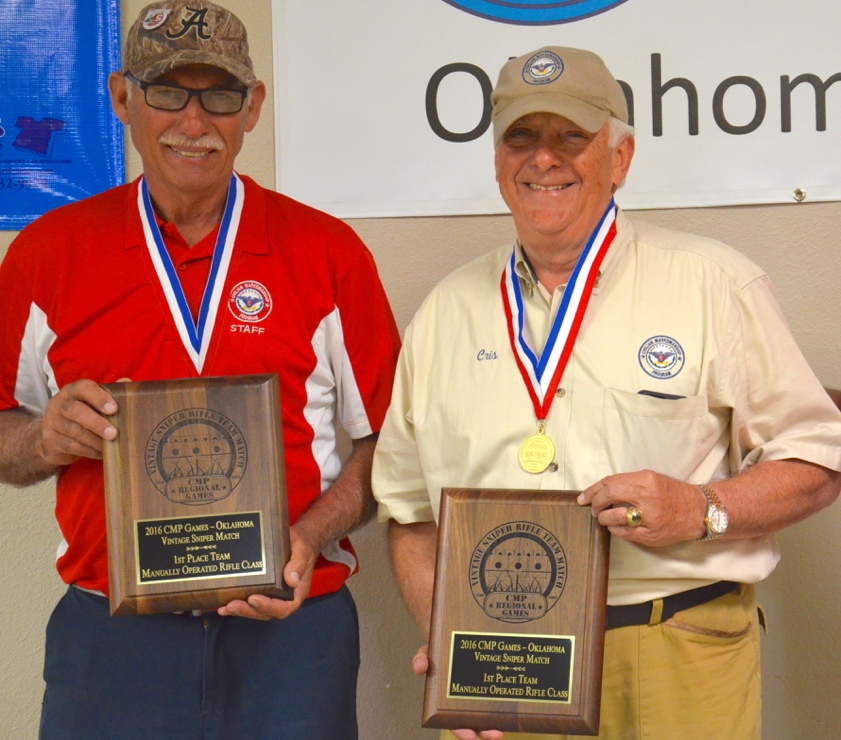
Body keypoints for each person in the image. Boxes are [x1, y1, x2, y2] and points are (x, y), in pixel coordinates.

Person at [372, 46, 841, 740]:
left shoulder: (713, 282)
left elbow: (817, 459)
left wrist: (699, 507)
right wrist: (449, 642)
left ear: (619, 158)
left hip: (672, 646)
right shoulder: (444, 312)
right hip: (507, 662)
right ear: (497, 161)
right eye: (521, 137)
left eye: (571, 136)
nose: (543, 160)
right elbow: (409, 514)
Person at [0, 2, 400, 737]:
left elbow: (389, 446)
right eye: (166, 92)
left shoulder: (328, 252)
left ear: (252, 107)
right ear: (122, 98)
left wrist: (310, 536)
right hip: (111, 634)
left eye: (217, 94)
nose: (194, 120)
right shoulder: (46, 255)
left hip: (291, 630)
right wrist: (41, 439)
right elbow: (3, 435)